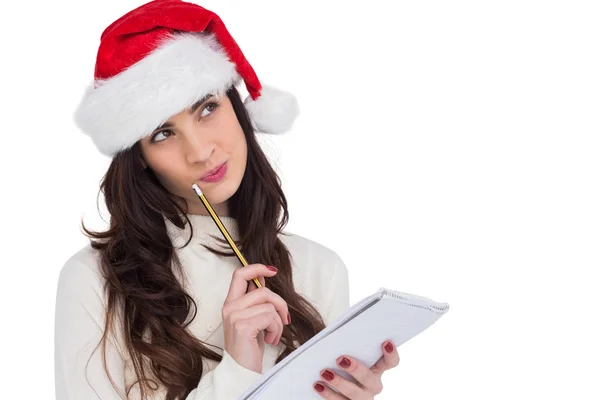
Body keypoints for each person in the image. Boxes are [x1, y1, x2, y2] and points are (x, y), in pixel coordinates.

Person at [54, 1, 401, 399]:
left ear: (237, 108)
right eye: (163, 133)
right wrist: (237, 371)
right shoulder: (94, 280)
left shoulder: (319, 269)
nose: (200, 152)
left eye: (207, 107)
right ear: (141, 159)